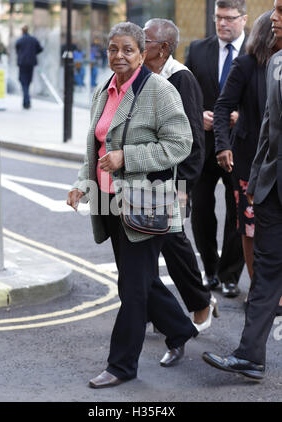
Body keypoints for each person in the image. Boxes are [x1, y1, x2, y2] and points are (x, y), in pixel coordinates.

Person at [67, 22, 198, 389]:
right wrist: (82, 183)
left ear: (143, 54)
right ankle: (180, 328)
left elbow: (179, 144)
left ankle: (122, 365)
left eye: (127, 49)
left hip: (146, 203)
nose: (119, 56)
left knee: (133, 289)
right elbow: (94, 148)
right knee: (140, 280)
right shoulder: (102, 91)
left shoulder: (160, 91)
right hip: (111, 203)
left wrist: (128, 157)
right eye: (112, 49)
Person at [202, 0, 282, 381]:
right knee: (263, 266)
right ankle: (250, 355)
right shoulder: (262, 66)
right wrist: (226, 146)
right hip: (262, 177)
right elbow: (263, 127)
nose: (275, 19)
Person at [143, 18, 218, 332]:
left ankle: (201, 304)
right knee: (143, 246)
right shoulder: (142, 74)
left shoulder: (180, 78)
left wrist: (183, 186)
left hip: (173, 180)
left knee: (174, 246)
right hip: (144, 177)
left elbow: (193, 140)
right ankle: (155, 310)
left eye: (144, 39)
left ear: (162, 48)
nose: (138, 41)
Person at [214, 10, 282, 312]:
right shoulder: (246, 65)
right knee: (250, 227)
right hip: (250, 161)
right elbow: (222, 107)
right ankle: (258, 289)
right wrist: (222, 146)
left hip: (274, 162)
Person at [185, 0, 247, 298]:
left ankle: (230, 275)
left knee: (237, 211)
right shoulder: (197, 50)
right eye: (218, 17)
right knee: (201, 212)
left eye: (229, 18)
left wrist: (241, 117)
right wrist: (198, 116)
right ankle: (209, 270)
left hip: (240, 146)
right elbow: (184, 96)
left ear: (243, 19)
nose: (222, 23)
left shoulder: (258, 52)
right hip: (204, 145)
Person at [15, 25, 43, 109]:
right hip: (30, 63)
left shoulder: (20, 40)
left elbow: (17, 49)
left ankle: (26, 102)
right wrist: (33, 53)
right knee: (27, 82)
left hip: (23, 63)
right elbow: (40, 48)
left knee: (24, 82)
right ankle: (26, 101)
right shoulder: (33, 39)